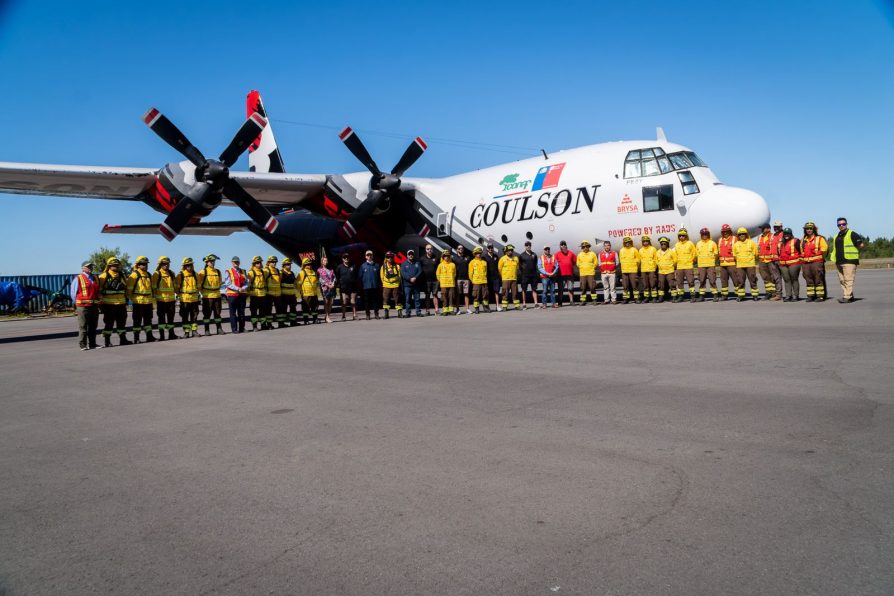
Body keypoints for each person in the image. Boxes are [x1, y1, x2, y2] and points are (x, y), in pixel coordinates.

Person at [830, 217, 865, 303]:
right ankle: (850, 295)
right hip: (839, 261)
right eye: (839, 224)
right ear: (837, 225)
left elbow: (861, 245)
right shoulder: (836, 236)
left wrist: (855, 249)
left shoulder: (852, 234)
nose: (841, 226)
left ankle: (847, 297)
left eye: (843, 224)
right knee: (842, 280)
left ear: (846, 224)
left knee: (848, 279)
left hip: (850, 261)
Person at [98, 256, 131, 347]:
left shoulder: (121, 275)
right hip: (109, 305)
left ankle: (123, 339)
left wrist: (126, 299)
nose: (115, 266)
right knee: (109, 323)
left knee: (122, 323)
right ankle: (107, 341)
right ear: (109, 266)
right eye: (113, 265)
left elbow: (126, 288)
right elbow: (99, 290)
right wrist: (101, 302)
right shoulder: (103, 276)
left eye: (117, 265)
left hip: (121, 304)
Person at [70, 260, 99, 350]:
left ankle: (92, 344)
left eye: (91, 266)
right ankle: (83, 344)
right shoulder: (78, 278)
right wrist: (77, 304)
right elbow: (73, 293)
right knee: (83, 326)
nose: (90, 268)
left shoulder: (95, 278)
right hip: (82, 307)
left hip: (93, 306)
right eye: (88, 266)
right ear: (83, 268)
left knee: (93, 326)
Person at [126, 255, 156, 343]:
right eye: (143, 264)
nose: (145, 266)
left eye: (146, 264)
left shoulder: (149, 275)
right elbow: (129, 290)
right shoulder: (134, 275)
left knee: (148, 321)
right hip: (138, 302)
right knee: (137, 321)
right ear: (138, 265)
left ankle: (149, 336)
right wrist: (132, 300)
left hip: (148, 302)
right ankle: (136, 338)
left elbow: (152, 289)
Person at [800, 222, 827, 302]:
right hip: (806, 263)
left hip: (816, 262)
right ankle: (811, 296)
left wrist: (821, 258)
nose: (809, 230)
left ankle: (820, 296)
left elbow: (824, 249)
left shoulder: (819, 238)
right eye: (807, 229)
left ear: (814, 229)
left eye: (810, 229)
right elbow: (802, 251)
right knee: (808, 279)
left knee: (818, 279)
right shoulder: (803, 240)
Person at [152, 256, 178, 340]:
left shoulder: (172, 273)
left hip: (171, 300)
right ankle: (162, 336)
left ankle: (171, 334)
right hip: (161, 301)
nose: (166, 265)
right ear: (160, 264)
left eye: (167, 264)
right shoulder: (156, 274)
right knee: (161, 319)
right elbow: (154, 288)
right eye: (164, 264)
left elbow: (175, 287)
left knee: (171, 319)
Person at [198, 254, 225, 334]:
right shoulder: (203, 272)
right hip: (207, 297)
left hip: (217, 296)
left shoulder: (218, 271)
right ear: (207, 262)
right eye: (211, 261)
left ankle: (219, 329)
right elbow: (199, 285)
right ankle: (207, 330)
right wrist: (203, 293)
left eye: (213, 261)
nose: (213, 263)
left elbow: (220, 283)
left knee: (217, 314)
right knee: (207, 315)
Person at [757, 223, 783, 301]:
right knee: (765, 278)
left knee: (774, 277)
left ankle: (776, 293)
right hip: (762, 261)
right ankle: (769, 292)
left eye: (763, 228)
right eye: (761, 228)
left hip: (770, 260)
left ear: (768, 229)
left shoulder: (773, 236)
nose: (762, 230)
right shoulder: (759, 237)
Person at [176, 257, 201, 337]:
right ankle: (186, 332)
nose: (190, 267)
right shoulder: (180, 275)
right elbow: (176, 288)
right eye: (188, 265)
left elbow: (199, 286)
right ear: (184, 266)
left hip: (194, 300)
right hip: (185, 300)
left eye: (191, 265)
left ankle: (194, 331)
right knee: (185, 317)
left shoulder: (195, 274)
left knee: (194, 317)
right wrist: (181, 295)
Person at [733, 227, 759, 301]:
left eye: (743, 234)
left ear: (746, 234)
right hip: (740, 266)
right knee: (740, 281)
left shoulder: (751, 242)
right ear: (738, 235)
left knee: (752, 280)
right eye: (740, 234)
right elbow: (734, 256)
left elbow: (756, 254)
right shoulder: (736, 244)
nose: (742, 235)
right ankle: (741, 296)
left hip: (750, 265)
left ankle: (755, 295)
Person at [223, 256, 248, 333]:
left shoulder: (243, 271)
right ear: (232, 263)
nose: (236, 263)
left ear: (239, 262)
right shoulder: (228, 271)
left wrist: (243, 287)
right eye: (234, 262)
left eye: (237, 262)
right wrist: (238, 288)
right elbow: (228, 283)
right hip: (232, 295)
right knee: (233, 314)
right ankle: (234, 329)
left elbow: (247, 282)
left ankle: (242, 328)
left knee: (241, 313)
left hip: (241, 295)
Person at [695, 228, 719, 302]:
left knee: (712, 280)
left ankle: (715, 295)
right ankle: (701, 295)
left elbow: (716, 254)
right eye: (703, 234)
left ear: (708, 235)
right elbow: (696, 255)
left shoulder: (712, 243)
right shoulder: (698, 244)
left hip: (710, 265)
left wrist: (712, 262)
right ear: (701, 235)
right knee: (701, 280)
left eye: (706, 234)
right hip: (701, 265)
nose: (704, 235)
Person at [777, 228, 802, 302]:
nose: (786, 235)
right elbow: (779, 253)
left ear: (791, 234)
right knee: (786, 280)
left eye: (788, 233)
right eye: (785, 234)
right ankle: (788, 295)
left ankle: (796, 296)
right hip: (783, 265)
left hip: (794, 263)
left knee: (794, 279)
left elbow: (801, 251)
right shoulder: (780, 243)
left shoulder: (796, 241)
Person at [673, 228, 697, 302]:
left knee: (691, 281)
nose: (681, 237)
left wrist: (691, 261)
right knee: (679, 282)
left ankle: (693, 296)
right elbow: (675, 256)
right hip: (679, 267)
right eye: (680, 236)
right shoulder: (677, 245)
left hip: (688, 266)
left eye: (683, 236)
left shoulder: (690, 243)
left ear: (686, 236)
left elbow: (694, 254)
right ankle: (681, 296)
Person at [247, 255, 269, 331]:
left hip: (262, 294)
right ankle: (255, 326)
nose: (259, 264)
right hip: (254, 295)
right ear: (254, 264)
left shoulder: (264, 272)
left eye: (260, 263)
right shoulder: (251, 272)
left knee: (263, 311)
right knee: (254, 312)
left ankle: (263, 325)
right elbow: (248, 284)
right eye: (257, 263)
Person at [717, 224, 737, 301]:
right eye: (723, 231)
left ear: (729, 231)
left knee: (735, 280)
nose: (725, 233)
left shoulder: (734, 239)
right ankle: (724, 295)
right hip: (722, 265)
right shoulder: (720, 240)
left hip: (732, 264)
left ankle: (739, 294)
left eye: (726, 231)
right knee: (723, 281)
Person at [359, 250, 381, 320]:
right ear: (365, 257)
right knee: (367, 302)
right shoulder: (363, 266)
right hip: (366, 287)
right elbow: (360, 276)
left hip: (374, 286)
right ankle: (367, 314)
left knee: (375, 301)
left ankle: (376, 314)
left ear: (372, 256)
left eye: (370, 255)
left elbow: (379, 276)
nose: (369, 256)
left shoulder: (376, 265)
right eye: (368, 255)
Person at [380, 251, 403, 318]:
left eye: (391, 257)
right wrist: (385, 283)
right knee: (386, 300)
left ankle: (399, 313)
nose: (390, 258)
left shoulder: (397, 266)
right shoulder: (383, 267)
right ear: (386, 258)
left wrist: (397, 283)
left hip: (396, 285)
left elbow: (399, 276)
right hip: (386, 286)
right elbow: (382, 276)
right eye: (388, 257)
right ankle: (386, 313)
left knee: (398, 299)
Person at [498, 244, 521, 310]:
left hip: (514, 278)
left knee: (515, 293)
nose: (510, 252)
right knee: (505, 293)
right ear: (506, 252)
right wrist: (503, 276)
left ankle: (517, 305)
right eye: (509, 250)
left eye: (511, 250)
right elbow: (499, 269)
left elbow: (517, 268)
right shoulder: (502, 259)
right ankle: (504, 306)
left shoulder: (516, 258)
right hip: (506, 279)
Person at [336, 253, 358, 321]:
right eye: (345, 257)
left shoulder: (353, 266)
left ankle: (354, 315)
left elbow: (356, 275)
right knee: (344, 303)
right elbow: (337, 276)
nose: (346, 259)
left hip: (353, 288)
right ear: (342, 259)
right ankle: (343, 316)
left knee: (353, 302)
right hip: (343, 288)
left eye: (347, 257)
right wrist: (339, 285)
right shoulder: (339, 267)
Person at [619, 236, 641, 304]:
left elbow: (638, 260)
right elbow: (621, 260)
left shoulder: (634, 249)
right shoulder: (621, 250)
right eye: (626, 243)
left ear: (631, 243)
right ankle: (626, 298)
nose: (627, 244)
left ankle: (636, 298)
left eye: (628, 242)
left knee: (634, 286)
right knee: (625, 286)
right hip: (624, 271)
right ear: (624, 243)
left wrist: (636, 267)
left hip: (633, 270)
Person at [401, 249, 423, 317]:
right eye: (409, 254)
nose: (411, 255)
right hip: (407, 285)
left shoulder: (417, 263)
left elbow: (420, 271)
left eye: (412, 254)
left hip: (416, 284)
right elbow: (403, 273)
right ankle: (408, 312)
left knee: (417, 299)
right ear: (407, 255)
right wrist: (409, 279)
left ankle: (418, 312)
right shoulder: (403, 264)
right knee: (408, 300)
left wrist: (415, 278)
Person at [518, 241, 540, 309]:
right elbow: (520, 265)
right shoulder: (521, 255)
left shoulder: (534, 254)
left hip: (533, 275)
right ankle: (524, 303)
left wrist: (536, 272)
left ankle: (536, 303)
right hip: (525, 275)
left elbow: (535, 263)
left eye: (529, 245)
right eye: (527, 245)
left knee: (534, 289)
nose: (528, 246)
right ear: (525, 246)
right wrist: (523, 272)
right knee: (524, 290)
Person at [419, 244, 440, 315]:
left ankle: (436, 310)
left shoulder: (436, 258)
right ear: (425, 250)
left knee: (435, 295)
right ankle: (427, 310)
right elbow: (419, 269)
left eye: (430, 249)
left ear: (432, 249)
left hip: (435, 280)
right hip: (426, 281)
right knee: (427, 295)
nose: (429, 250)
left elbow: (439, 269)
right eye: (428, 249)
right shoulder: (422, 259)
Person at [299, 257, 321, 324]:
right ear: (304, 265)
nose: (309, 265)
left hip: (314, 294)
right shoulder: (302, 273)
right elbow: (297, 283)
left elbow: (317, 282)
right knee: (305, 308)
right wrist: (301, 291)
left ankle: (315, 319)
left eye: (310, 264)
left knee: (315, 307)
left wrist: (317, 287)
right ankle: (306, 320)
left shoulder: (314, 272)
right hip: (306, 294)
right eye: (307, 264)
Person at [555, 240, 577, 306]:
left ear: (566, 245)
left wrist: (569, 265)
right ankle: (560, 302)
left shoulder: (571, 253)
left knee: (570, 288)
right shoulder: (557, 254)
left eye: (564, 244)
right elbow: (554, 263)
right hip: (561, 275)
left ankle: (571, 301)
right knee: (560, 289)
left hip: (569, 274)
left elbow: (574, 261)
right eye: (562, 245)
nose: (563, 246)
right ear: (560, 246)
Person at [656, 236, 677, 303]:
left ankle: (674, 297)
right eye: (662, 244)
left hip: (669, 271)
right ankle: (661, 298)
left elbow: (675, 260)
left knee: (672, 285)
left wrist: (671, 266)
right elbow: (656, 260)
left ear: (667, 244)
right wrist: (659, 265)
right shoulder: (658, 252)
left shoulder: (671, 251)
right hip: (661, 272)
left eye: (665, 244)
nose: (663, 245)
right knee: (661, 285)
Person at [469, 246, 490, 313]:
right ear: (474, 254)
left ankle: (486, 308)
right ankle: (476, 308)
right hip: (476, 282)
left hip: (484, 281)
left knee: (485, 295)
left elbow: (486, 272)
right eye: (477, 253)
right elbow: (470, 273)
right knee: (476, 296)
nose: (479, 254)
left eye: (480, 253)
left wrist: (484, 278)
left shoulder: (484, 262)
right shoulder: (472, 262)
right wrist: (473, 281)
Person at [279, 258, 300, 326]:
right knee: (283, 309)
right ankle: (281, 323)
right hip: (284, 295)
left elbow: (294, 283)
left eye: (290, 264)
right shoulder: (281, 272)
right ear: (284, 265)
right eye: (288, 264)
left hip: (292, 294)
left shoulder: (292, 273)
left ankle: (293, 322)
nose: (289, 266)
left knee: (293, 309)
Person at [265, 255, 284, 329]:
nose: (274, 263)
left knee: (280, 310)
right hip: (269, 294)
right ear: (269, 262)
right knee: (268, 311)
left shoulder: (278, 271)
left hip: (278, 294)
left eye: (275, 262)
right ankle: (269, 325)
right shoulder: (266, 271)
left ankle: (281, 323)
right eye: (272, 262)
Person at [453, 244, 473, 314]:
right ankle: (457, 309)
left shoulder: (468, 257)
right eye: (459, 248)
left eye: (462, 248)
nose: (460, 249)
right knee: (457, 295)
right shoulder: (454, 258)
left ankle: (467, 309)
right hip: (458, 278)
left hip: (466, 278)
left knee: (466, 294)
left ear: (463, 250)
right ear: (457, 250)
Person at [437, 249, 457, 314]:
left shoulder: (453, 264)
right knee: (444, 297)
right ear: (443, 257)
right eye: (445, 256)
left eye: (448, 256)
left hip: (451, 284)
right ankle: (445, 310)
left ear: (449, 257)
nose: (446, 257)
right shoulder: (440, 265)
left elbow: (454, 274)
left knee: (451, 297)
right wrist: (441, 281)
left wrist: (451, 279)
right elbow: (438, 274)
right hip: (443, 284)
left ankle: (451, 310)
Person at [639, 235, 658, 303]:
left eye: (647, 241)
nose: (645, 243)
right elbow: (639, 260)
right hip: (643, 270)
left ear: (649, 242)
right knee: (645, 285)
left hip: (651, 269)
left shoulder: (653, 249)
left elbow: (656, 259)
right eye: (644, 241)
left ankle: (654, 297)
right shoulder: (640, 250)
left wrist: (654, 267)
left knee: (653, 284)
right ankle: (646, 297)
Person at [318, 255, 336, 323]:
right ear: (322, 262)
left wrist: (333, 283)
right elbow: (320, 279)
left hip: (332, 287)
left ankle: (327, 315)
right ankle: (328, 317)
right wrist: (327, 284)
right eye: (324, 260)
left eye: (326, 260)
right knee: (326, 302)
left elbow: (334, 277)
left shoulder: (331, 270)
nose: (326, 262)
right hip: (325, 288)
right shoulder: (319, 270)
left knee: (331, 302)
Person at [483, 243, 501, 310]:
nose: (490, 249)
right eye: (489, 247)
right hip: (488, 277)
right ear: (487, 248)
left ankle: (497, 306)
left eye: (491, 248)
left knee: (496, 291)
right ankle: (487, 307)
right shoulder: (484, 257)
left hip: (495, 277)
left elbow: (498, 267)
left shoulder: (496, 256)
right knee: (487, 293)